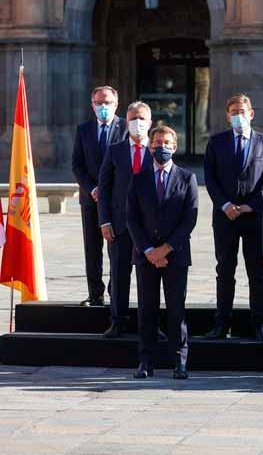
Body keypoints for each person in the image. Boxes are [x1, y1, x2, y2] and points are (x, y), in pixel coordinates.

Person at [203, 94, 263, 341]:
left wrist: (250, 206)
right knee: (225, 270)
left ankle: (259, 323)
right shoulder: (216, 142)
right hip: (225, 216)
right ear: (227, 116)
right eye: (234, 112)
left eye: (242, 111)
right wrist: (225, 205)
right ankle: (221, 323)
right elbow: (210, 178)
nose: (238, 116)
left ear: (251, 114)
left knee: (256, 271)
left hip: (254, 217)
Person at [125, 125, 199, 380]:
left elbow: (189, 219)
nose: (162, 147)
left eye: (167, 143)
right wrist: (149, 250)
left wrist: (165, 249)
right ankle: (146, 362)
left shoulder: (187, 178)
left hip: (175, 256)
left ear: (175, 147)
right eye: (157, 143)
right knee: (147, 310)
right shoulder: (139, 178)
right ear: (150, 146)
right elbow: (132, 218)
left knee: (176, 310)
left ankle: (179, 362)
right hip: (145, 257)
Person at [97, 101, 153, 338]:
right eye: (132, 118)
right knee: (119, 274)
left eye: (141, 118)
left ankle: (149, 324)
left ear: (149, 122)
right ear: (126, 121)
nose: (137, 123)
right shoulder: (115, 150)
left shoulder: (158, 148)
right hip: (119, 225)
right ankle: (118, 321)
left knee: (149, 277)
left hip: (150, 227)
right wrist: (104, 221)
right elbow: (104, 187)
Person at [72, 85, 127, 307]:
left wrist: (111, 191)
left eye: (107, 102)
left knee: (118, 249)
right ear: (92, 105)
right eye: (99, 103)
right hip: (91, 199)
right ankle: (95, 294)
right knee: (92, 249)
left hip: (117, 200)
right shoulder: (84, 130)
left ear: (116, 104)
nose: (103, 106)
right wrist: (92, 189)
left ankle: (116, 293)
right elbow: (77, 165)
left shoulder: (125, 127)